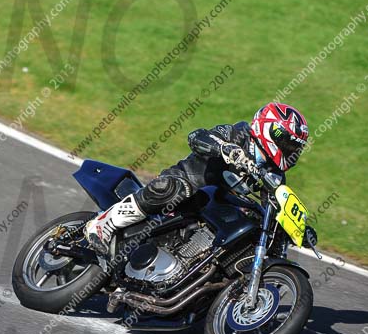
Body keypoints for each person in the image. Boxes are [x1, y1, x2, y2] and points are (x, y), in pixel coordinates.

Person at [84, 102, 309, 254]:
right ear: (269, 129)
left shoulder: (274, 174)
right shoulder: (239, 134)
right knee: (173, 188)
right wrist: (224, 149)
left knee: (257, 226)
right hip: (187, 185)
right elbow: (197, 136)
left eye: (294, 147)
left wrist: (299, 230)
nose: (289, 149)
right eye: (287, 142)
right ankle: (103, 223)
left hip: (213, 211)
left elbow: (276, 206)